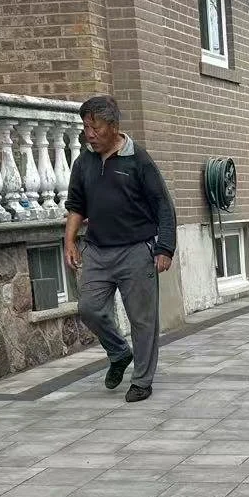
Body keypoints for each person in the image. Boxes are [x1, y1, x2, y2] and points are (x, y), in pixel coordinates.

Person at [64, 94, 176, 403]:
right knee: (89, 308)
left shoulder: (138, 159)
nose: (89, 134)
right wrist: (69, 241)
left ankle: (142, 380)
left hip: (136, 250)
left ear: (114, 127)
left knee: (142, 319)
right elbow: (76, 205)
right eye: (86, 127)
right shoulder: (84, 162)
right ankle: (118, 352)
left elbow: (163, 205)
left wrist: (164, 248)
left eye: (95, 128)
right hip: (97, 250)